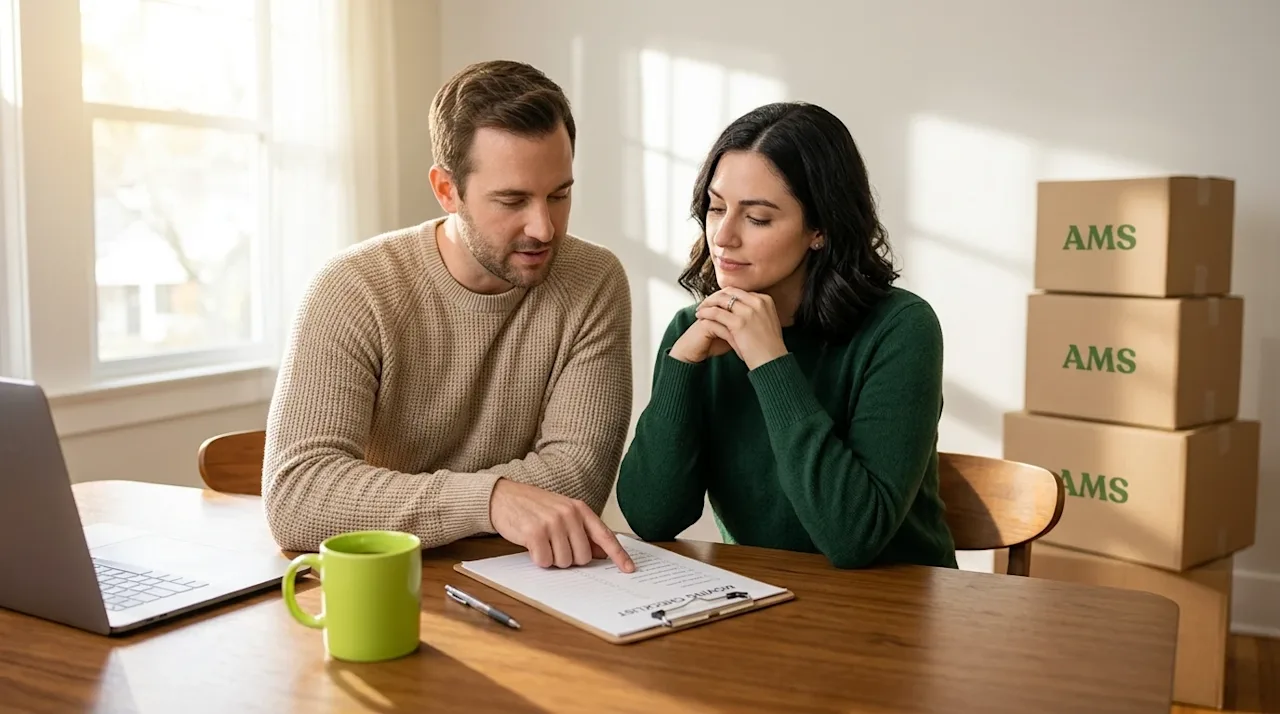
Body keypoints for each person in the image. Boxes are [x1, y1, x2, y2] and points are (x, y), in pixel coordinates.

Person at [263, 60, 636, 573]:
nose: (544, 227)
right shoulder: (354, 288)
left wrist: (402, 501)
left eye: (559, 194)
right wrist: (492, 500)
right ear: (446, 190)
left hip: (531, 578)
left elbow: (578, 478)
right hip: (387, 582)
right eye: (512, 199)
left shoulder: (593, 281)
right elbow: (298, 497)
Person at [616, 101, 957, 570]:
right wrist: (680, 366)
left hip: (897, 607)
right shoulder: (695, 331)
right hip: (763, 600)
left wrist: (770, 362)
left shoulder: (902, 329)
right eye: (716, 209)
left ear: (820, 228)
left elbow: (852, 536)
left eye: (757, 218)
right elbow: (652, 517)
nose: (724, 237)